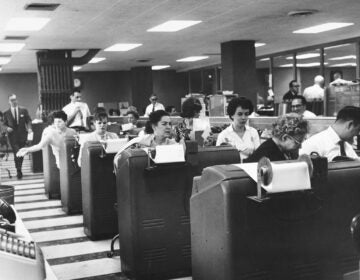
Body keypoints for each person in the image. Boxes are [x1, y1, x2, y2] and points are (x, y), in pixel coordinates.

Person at [216, 97, 260, 162]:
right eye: (240, 114)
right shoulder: (223, 135)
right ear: (232, 115)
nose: (243, 117)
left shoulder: (253, 132)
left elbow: (259, 155)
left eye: (246, 114)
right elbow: (219, 159)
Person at [3, 94, 32, 179]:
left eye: (15, 99)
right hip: (12, 137)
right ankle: (18, 170)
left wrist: (29, 128)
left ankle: (19, 168)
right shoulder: (6, 113)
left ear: (17, 100)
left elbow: (28, 121)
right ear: (9, 101)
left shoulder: (24, 110)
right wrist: (7, 128)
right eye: (12, 100)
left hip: (23, 135)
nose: (14, 101)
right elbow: (4, 124)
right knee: (16, 152)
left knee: (21, 153)